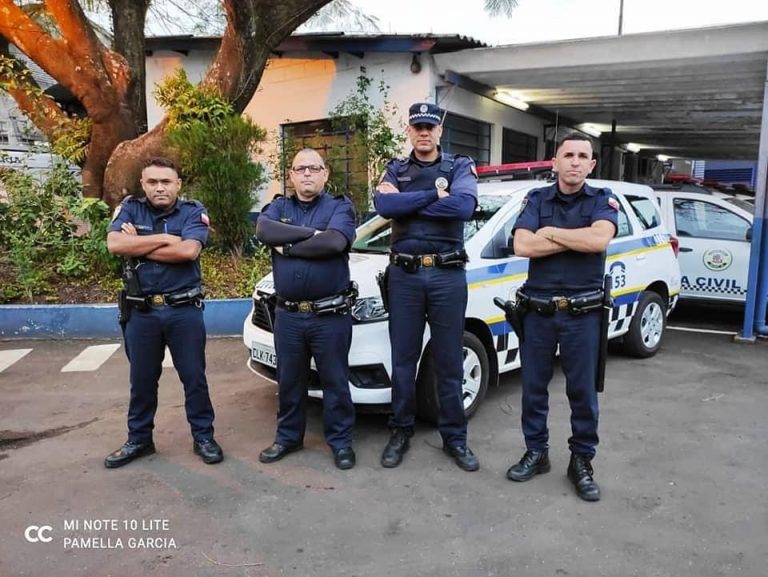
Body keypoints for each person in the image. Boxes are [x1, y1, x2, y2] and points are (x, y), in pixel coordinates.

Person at [506, 133, 618, 501]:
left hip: (583, 315)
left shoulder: (602, 200)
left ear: (591, 165)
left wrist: (551, 232)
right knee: (533, 390)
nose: (574, 161)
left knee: (582, 393)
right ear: (554, 162)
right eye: (567, 154)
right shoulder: (536, 198)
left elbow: (599, 241)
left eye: (582, 156)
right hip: (538, 313)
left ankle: (581, 461)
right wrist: (576, 237)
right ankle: (536, 453)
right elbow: (523, 245)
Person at [374, 102, 480, 472]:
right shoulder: (396, 168)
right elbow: (383, 206)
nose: (423, 132)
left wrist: (407, 204)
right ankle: (401, 431)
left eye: (429, 127)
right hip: (404, 277)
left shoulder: (459, 166)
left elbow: (464, 207)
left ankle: (455, 437)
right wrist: (434, 196)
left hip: (447, 277)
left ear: (439, 130)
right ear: (409, 130)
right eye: (417, 126)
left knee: (449, 361)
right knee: (403, 361)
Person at [104, 157, 223, 468]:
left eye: (166, 182)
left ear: (178, 185)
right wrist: (164, 238)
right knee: (142, 380)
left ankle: (204, 437)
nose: (160, 187)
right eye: (153, 182)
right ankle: (139, 440)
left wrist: (138, 242)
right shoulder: (131, 207)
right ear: (143, 185)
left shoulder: (193, 211)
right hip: (141, 313)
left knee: (194, 378)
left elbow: (188, 251)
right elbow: (115, 244)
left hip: (184, 311)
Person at [256, 148, 358, 470]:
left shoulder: (340, 206)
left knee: (335, 383)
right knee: (289, 382)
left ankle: (340, 442)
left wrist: (286, 245)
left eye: (314, 168)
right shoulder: (278, 206)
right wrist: (309, 235)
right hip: (288, 316)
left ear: (325, 173)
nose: (307, 175)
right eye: (300, 169)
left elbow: (334, 243)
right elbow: (263, 231)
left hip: (329, 316)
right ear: (291, 175)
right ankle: (288, 438)